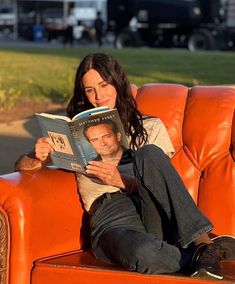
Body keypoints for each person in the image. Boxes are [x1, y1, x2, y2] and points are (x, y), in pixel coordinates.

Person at [15, 53, 235, 280]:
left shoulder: (151, 127)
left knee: (148, 153)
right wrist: (36, 155)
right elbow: (22, 168)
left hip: (149, 209)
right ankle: (206, 254)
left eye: (103, 84)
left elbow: (167, 190)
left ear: (117, 82)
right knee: (144, 253)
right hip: (110, 216)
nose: (98, 96)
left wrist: (120, 180)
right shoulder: (76, 134)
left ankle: (203, 243)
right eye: (90, 89)